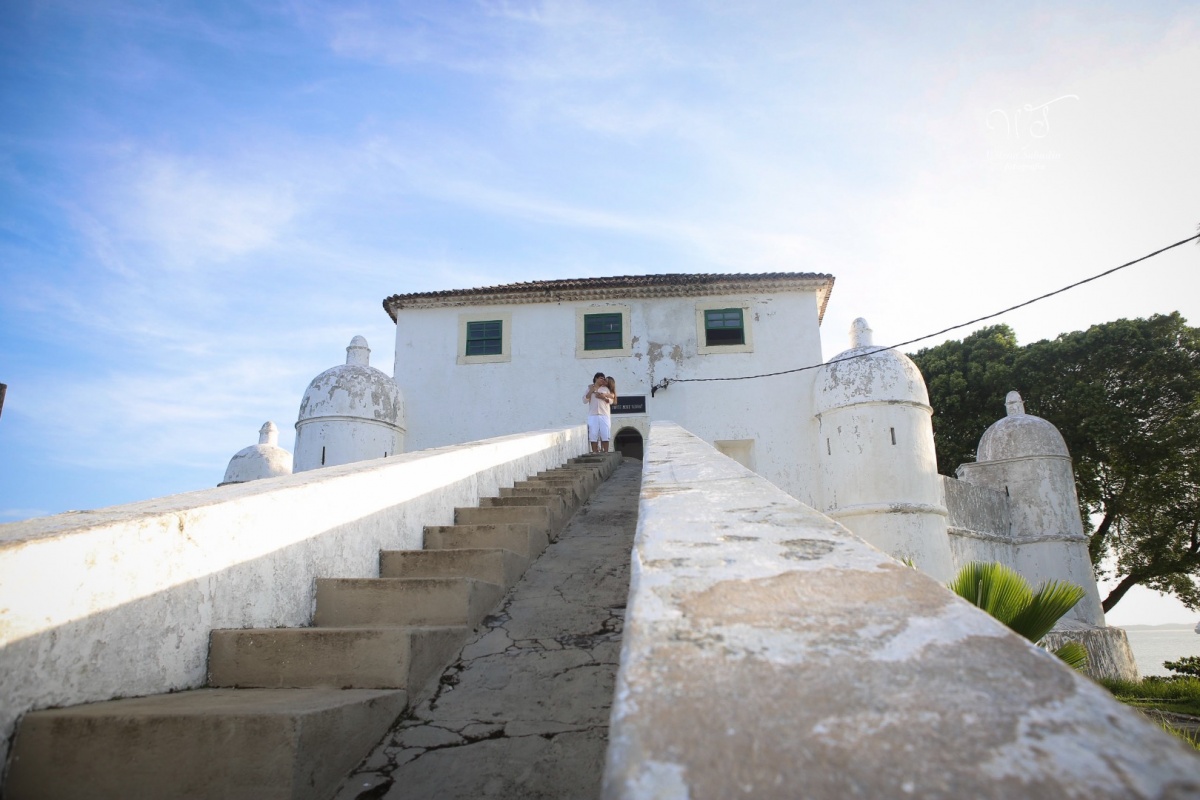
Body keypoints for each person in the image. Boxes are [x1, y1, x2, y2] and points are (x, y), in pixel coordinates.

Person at [583, 372, 613, 453]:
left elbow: (611, 401)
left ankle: (606, 452)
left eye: (603, 379)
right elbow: (585, 400)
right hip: (593, 415)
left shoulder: (606, 389)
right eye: (601, 378)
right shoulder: (589, 389)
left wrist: (604, 397)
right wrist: (591, 391)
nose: (603, 380)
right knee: (593, 434)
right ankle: (594, 452)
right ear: (596, 379)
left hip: (604, 414)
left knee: (605, 434)